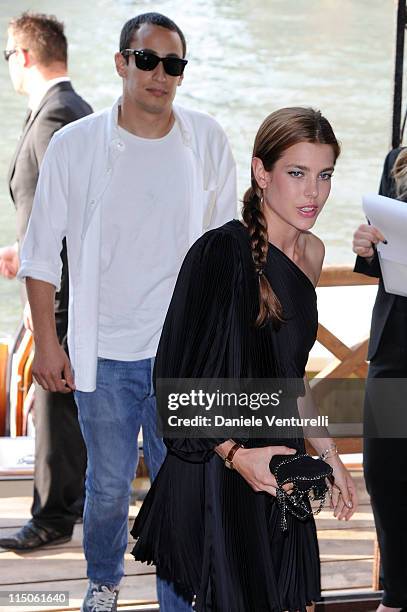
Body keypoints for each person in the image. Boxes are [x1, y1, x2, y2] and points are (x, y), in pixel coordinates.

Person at [18, 11, 236, 612]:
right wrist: (49, 343)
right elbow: (40, 255)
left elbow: (226, 258)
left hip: (180, 359)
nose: (159, 75)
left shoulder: (207, 140)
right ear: (122, 62)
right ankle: (104, 581)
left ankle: (178, 593)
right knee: (109, 488)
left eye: (173, 65)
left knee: (179, 489)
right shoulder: (74, 144)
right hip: (105, 354)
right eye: (146, 60)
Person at [131, 107, 358, 612]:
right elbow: (174, 385)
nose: (313, 193)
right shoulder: (217, 253)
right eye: (297, 174)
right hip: (219, 469)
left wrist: (329, 455)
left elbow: (289, 379)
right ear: (262, 172)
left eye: (324, 176)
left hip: (280, 467)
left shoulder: (313, 254)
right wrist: (236, 454)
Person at [0, 12, 91, 552]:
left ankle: (54, 516)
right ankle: (68, 503)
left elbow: (73, 212)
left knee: (54, 395)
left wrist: (48, 316)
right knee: (63, 400)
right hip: (60, 279)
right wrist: (23, 247)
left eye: (8, 56)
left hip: (60, 292)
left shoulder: (58, 116)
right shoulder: (69, 110)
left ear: (26, 56)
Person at [353, 148, 407, 612]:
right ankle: (395, 594)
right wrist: (368, 246)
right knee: (385, 475)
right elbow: (386, 260)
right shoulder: (399, 158)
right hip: (395, 347)